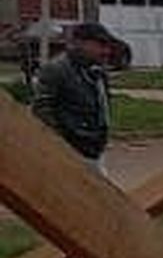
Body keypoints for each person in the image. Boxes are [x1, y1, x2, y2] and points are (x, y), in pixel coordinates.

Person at [31, 18, 131, 166]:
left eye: (107, 46)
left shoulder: (97, 72)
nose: (106, 51)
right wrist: (61, 147)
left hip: (94, 150)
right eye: (100, 45)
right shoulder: (56, 69)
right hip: (71, 153)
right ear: (79, 43)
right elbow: (42, 110)